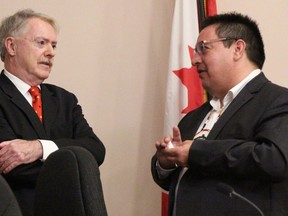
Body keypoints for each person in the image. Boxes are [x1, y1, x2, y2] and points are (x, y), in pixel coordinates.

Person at [151, 12, 288, 216]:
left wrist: (195, 152)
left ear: (238, 49)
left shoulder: (277, 100)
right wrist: (166, 162)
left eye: (203, 48)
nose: (194, 59)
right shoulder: (195, 115)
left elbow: (272, 159)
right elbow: (173, 180)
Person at [0, 9, 106, 216]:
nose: (51, 52)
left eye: (53, 45)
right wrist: (77, 171)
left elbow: (95, 149)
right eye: (41, 43)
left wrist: (40, 148)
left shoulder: (65, 99)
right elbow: (10, 165)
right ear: (11, 46)